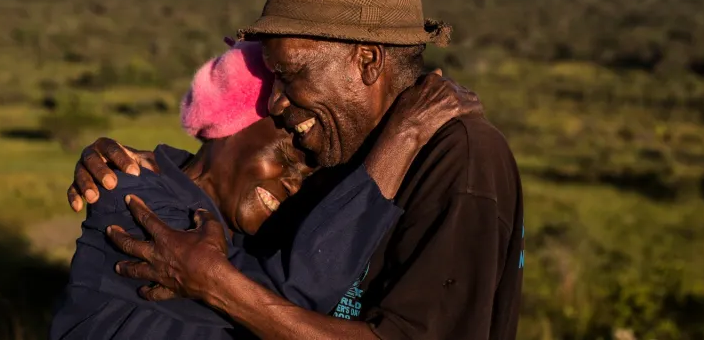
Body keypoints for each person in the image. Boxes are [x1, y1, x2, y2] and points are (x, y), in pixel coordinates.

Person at [70, 0, 524, 340]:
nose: (275, 103)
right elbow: (252, 243)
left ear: (367, 59)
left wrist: (215, 283)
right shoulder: (335, 154)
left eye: (290, 74)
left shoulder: (458, 158)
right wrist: (153, 167)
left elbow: (287, 287)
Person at [51, 38, 481, 339]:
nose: (292, 184)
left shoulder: (239, 232)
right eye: (289, 158)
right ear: (226, 125)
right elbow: (294, 293)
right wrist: (403, 136)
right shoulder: (133, 196)